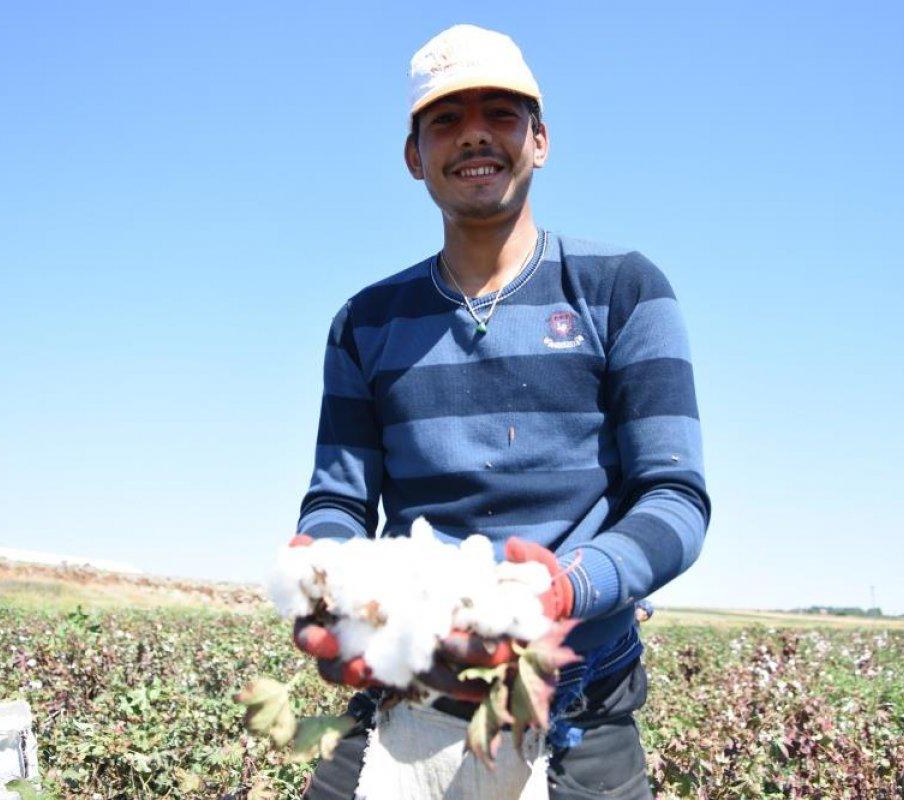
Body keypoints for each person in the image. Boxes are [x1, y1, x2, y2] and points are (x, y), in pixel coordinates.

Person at [289, 23, 710, 800]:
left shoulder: (623, 291)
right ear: (414, 157)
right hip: (410, 696)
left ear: (540, 140)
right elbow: (339, 500)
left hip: (580, 708)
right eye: (445, 119)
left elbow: (675, 501)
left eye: (502, 113)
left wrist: (562, 589)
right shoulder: (366, 323)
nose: (475, 134)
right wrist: (325, 577)